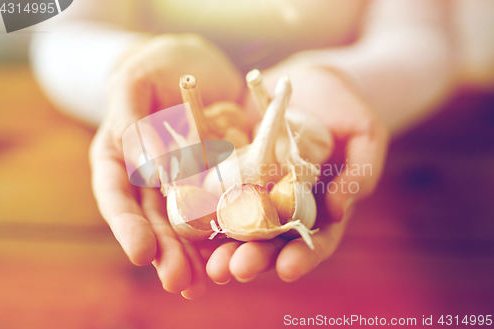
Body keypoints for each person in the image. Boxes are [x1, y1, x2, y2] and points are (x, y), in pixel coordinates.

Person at [30, 0, 494, 299]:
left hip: (382, 197)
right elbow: (59, 27)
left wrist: (349, 79)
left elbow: (424, 33)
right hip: (115, 241)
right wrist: (126, 71)